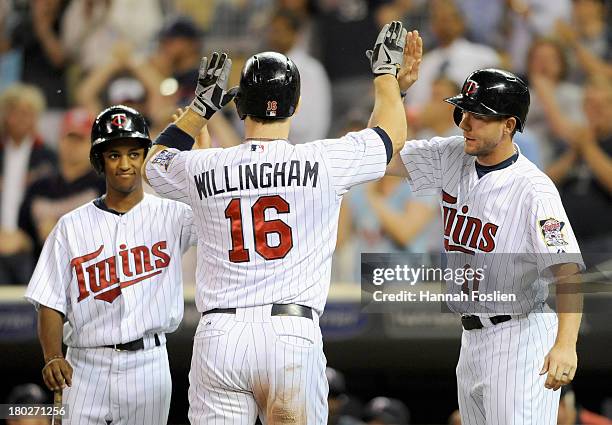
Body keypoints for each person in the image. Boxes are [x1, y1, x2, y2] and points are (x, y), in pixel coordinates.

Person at [142, 21, 420, 424]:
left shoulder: (203, 165)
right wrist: (386, 78)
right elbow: (390, 134)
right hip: (290, 333)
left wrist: (200, 108)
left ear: (238, 107)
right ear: (296, 104)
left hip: (220, 335)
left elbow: (153, 163)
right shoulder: (324, 160)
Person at [387, 67, 584, 424]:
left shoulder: (533, 189)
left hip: (519, 334)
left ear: (508, 125)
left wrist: (566, 344)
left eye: (479, 116)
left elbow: (567, 270)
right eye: (464, 111)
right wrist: (392, 90)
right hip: (471, 339)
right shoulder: (452, 155)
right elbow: (382, 157)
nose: (465, 123)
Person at [24, 105, 197, 425]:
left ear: (145, 156)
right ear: (100, 160)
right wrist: (52, 356)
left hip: (149, 363)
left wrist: (196, 148)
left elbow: (216, 208)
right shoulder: (70, 226)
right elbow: (49, 300)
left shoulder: (175, 215)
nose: (125, 163)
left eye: (133, 153)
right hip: (84, 365)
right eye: (114, 154)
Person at [19, 108, 104, 260]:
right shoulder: (38, 186)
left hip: (90, 269)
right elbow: (23, 232)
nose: (73, 145)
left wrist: (59, 231)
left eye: (80, 139)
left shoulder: (105, 186)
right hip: (41, 268)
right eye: (69, 138)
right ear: (59, 140)